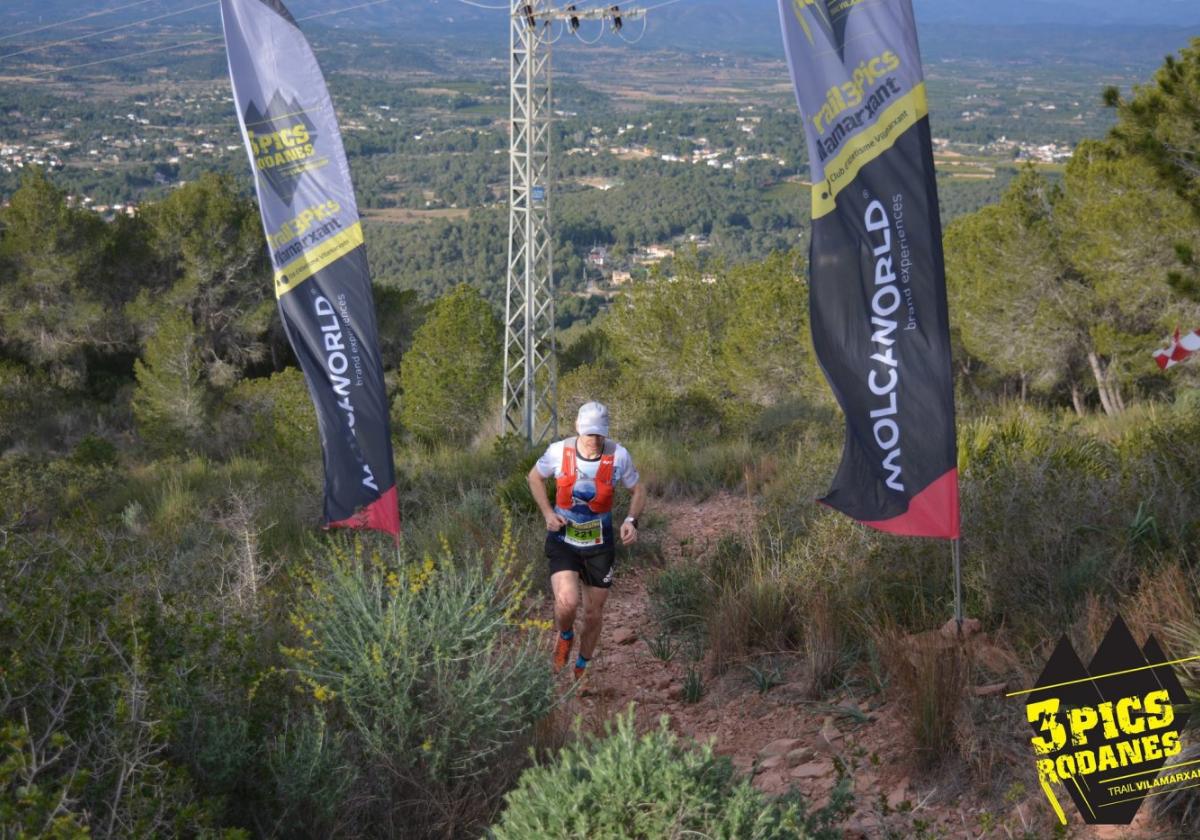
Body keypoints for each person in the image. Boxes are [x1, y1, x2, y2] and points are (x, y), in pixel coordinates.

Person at [527, 401, 646, 683]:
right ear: (578, 428)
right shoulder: (559, 451)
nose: (594, 439)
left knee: (593, 614)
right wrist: (547, 513)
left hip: (599, 545)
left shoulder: (619, 456)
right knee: (567, 602)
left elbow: (638, 489)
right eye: (589, 433)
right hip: (564, 540)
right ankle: (565, 635)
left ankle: (582, 667)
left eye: (599, 434)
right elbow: (534, 477)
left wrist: (631, 520)